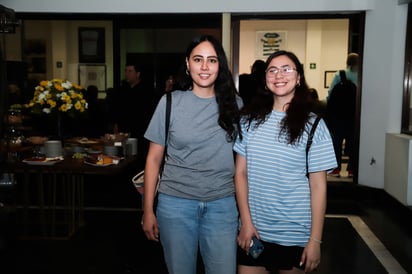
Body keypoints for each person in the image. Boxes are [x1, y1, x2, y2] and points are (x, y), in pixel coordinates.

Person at [142, 34, 242, 274]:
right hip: (175, 205)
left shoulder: (235, 105)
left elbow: (243, 162)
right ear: (188, 64)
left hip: (222, 204)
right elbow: (153, 159)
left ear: (221, 66)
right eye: (198, 59)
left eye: (212, 60)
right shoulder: (169, 103)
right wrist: (147, 210)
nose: (205, 67)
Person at [234, 50, 337, 274]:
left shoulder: (314, 125)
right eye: (272, 70)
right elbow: (240, 174)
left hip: (295, 235)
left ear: (298, 78)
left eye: (286, 69)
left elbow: (318, 187)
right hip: (255, 232)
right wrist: (246, 223)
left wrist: (315, 241)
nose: (279, 75)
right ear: (265, 79)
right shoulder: (249, 120)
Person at [110, 63, 159, 169]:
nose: (127, 74)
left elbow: (149, 113)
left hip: (140, 132)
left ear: (138, 74)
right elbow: (117, 108)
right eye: (126, 71)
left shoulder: (147, 91)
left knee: (137, 161)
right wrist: (116, 124)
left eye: (130, 71)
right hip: (124, 131)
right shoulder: (122, 90)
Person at [326, 53, 359, 177]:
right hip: (354, 115)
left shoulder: (339, 74)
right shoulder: (361, 76)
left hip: (338, 115)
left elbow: (330, 93)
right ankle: (351, 169)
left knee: (336, 142)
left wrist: (330, 108)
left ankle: (336, 169)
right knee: (353, 141)